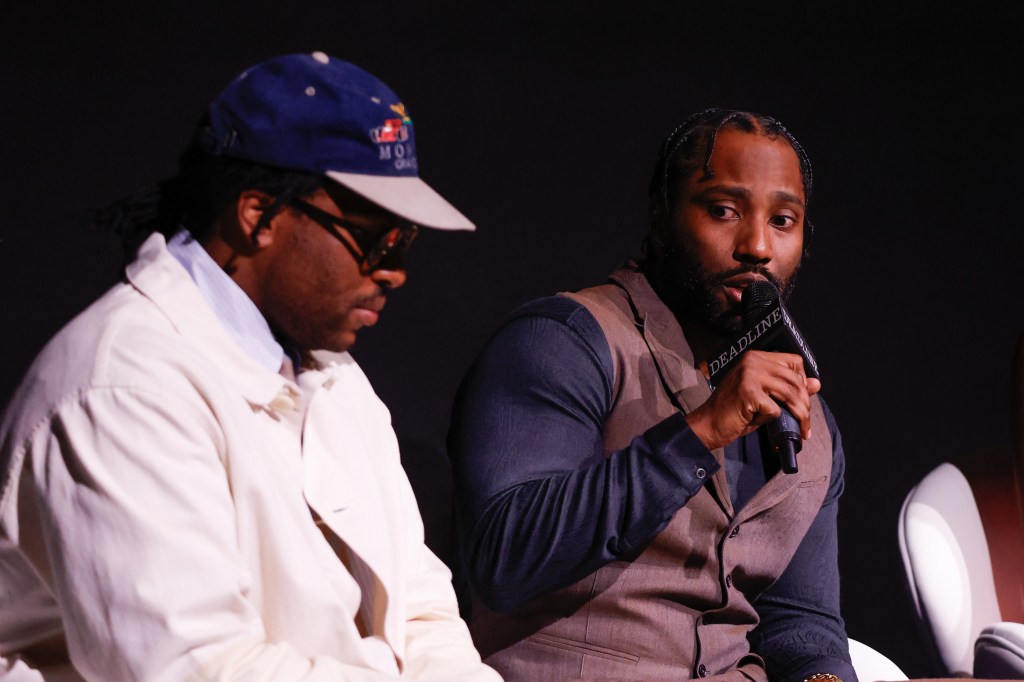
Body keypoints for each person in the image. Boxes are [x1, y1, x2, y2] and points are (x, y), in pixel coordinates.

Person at [0, 52, 501, 681]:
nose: (394, 271)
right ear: (258, 215)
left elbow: (419, 610)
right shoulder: (123, 386)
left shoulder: (334, 374)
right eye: (376, 238)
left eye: (406, 242)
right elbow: (198, 669)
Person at [447, 108, 856, 682]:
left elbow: (798, 619)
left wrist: (822, 677)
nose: (758, 246)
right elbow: (506, 554)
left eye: (783, 220)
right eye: (724, 211)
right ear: (661, 216)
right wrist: (701, 432)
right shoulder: (565, 342)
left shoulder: (805, 418)